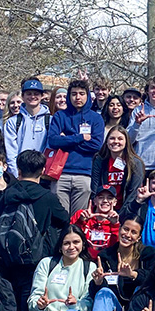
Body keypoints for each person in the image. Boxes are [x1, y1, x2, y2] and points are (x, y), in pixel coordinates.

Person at [0, 150, 70, 311]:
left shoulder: (6, 195)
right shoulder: (46, 197)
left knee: (10, 287)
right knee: (30, 287)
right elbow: (64, 219)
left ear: (18, 171)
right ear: (42, 171)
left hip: (7, 252)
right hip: (35, 253)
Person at [46, 79, 106, 214]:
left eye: (81, 93)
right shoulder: (60, 116)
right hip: (60, 174)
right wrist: (79, 137)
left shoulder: (96, 118)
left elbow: (96, 145)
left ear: (87, 96)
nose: (77, 97)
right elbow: (53, 141)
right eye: (73, 94)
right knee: (60, 218)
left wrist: (65, 139)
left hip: (84, 174)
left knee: (79, 219)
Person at [3, 78, 51, 177]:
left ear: (42, 96)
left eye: (36, 94)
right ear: (23, 97)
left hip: (43, 175)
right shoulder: (13, 122)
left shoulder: (51, 120)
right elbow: (11, 152)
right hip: (20, 175)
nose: (32, 96)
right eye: (29, 93)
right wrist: (16, 175)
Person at [91, 125, 144, 209]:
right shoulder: (99, 161)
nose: (116, 141)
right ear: (107, 141)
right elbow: (95, 188)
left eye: (120, 139)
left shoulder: (135, 163)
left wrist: (123, 213)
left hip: (126, 209)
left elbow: (133, 192)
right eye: (112, 138)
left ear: (126, 142)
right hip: (104, 208)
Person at [71, 187, 122, 262]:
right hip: (82, 259)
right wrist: (81, 221)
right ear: (94, 201)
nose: (105, 201)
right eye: (101, 197)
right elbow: (69, 236)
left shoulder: (118, 221)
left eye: (110, 198)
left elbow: (117, 247)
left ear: (115, 202)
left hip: (105, 261)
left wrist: (114, 225)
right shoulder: (81, 214)